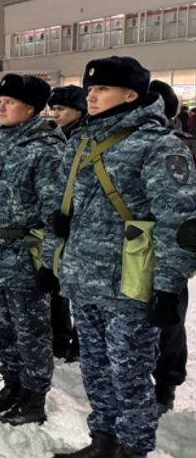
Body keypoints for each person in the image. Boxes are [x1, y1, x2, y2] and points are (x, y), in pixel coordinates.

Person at [51, 58, 196, 458]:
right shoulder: (82, 142)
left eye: (103, 89)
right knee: (95, 370)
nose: (91, 96)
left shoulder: (158, 145)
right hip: (85, 279)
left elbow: (180, 224)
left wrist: (168, 288)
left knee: (129, 377)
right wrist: (54, 260)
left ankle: (133, 449)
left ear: (131, 94)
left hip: (130, 287)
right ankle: (103, 442)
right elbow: (63, 206)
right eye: (90, 89)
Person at [0, 74, 62, 426]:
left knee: (31, 332)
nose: (2, 107)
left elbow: (54, 213)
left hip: (24, 254)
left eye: (10, 102)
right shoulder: (0, 144)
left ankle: (34, 398)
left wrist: (49, 265)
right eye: (0, 101)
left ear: (31, 109)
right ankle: (12, 385)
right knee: (3, 328)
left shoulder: (45, 149)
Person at [138, 80, 192, 417]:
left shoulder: (176, 147)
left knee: (170, 318)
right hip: (135, 250)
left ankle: (166, 385)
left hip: (169, 248)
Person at [46, 84, 88, 363]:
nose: (55, 114)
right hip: (60, 220)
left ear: (79, 110)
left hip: (83, 225)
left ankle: (81, 342)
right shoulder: (56, 137)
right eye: (54, 108)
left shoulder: (87, 138)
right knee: (57, 283)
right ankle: (60, 336)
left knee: (81, 288)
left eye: (61, 109)